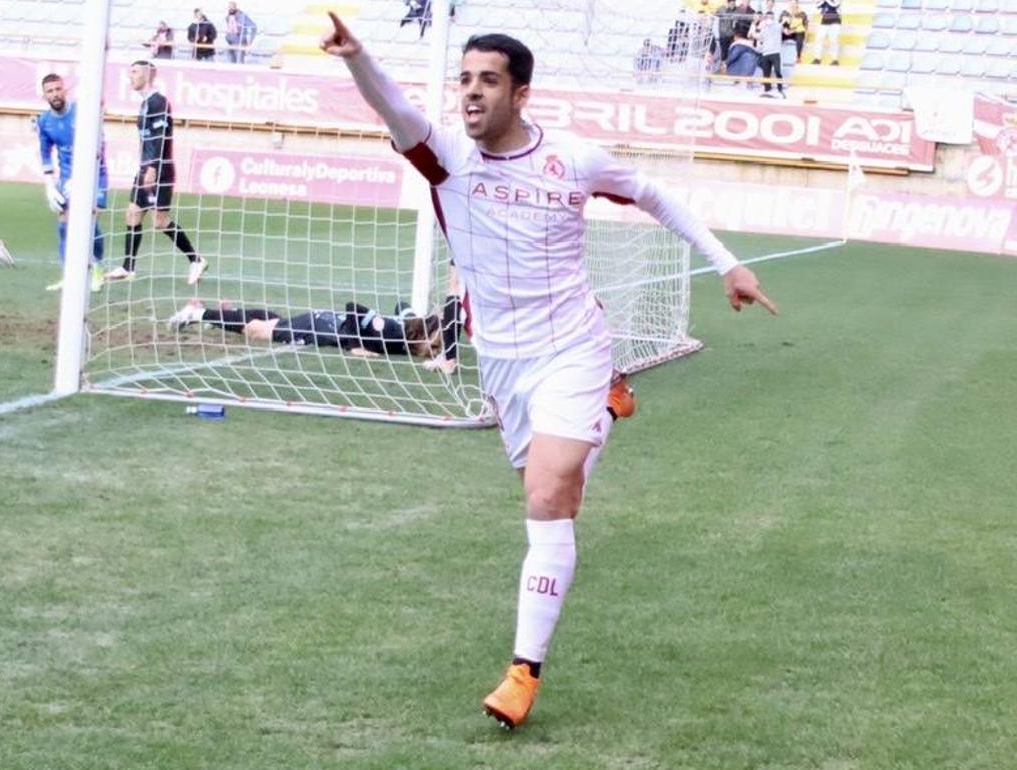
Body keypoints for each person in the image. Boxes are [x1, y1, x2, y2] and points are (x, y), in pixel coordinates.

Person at [321, 14, 776, 730]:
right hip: (502, 359)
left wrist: (729, 264)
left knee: (547, 498)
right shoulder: (445, 156)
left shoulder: (574, 160)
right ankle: (608, 407)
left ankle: (522, 674)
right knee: (551, 492)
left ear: (521, 94)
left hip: (573, 347)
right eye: (464, 80)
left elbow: (654, 195)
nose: (471, 92)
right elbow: (394, 108)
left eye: (488, 81)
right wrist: (358, 58)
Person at [107, 61, 208, 284]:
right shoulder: (145, 104)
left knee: (160, 221)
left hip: (159, 169)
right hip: (146, 167)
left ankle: (196, 260)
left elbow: (161, 137)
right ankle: (128, 268)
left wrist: (152, 167)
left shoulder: (158, 102)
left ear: (147, 75)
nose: (130, 76)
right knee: (133, 213)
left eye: (134, 72)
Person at [169, 297, 443, 359]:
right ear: (420, 336)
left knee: (275, 323)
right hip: (320, 327)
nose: (434, 349)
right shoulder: (392, 334)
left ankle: (224, 314)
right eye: (434, 344)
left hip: (321, 322)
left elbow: (402, 305)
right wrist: (354, 346)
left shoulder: (404, 334)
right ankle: (197, 313)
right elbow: (354, 308)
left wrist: (412, 315)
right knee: (259, 331)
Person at [37, 73, 109, 293]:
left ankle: (97, 269)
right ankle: (69, 274)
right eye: (50, 91)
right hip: (66, 178)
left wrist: (82, 177)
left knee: (89, 220)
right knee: (64, 225)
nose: (55, 94)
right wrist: (50, 185)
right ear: (44, 95)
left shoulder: (82, 112)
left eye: (58, 89)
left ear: (65, 90)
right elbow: (45, 153)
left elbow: (99, 146)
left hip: (94, 175)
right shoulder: (44, 121)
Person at [754, 11, 785, 97]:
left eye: (771, 17)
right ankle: (767, 89)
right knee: (766, 73)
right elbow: (758, 36)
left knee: (778, 71)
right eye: (768, 17)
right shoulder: (763, 26)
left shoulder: (778, 25)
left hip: (775, 52)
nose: (770, 18)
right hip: (765, 53)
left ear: (773, 17)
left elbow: (784, 28)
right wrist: (756, 27)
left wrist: (785, 21)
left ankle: (780, 88)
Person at [811, 0, 842, 65]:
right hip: (824, 22)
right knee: (819, 39)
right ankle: (817, 58)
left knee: (833, 40)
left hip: (835, 21)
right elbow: (817, 5)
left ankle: (835, 60)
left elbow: (834, 5)